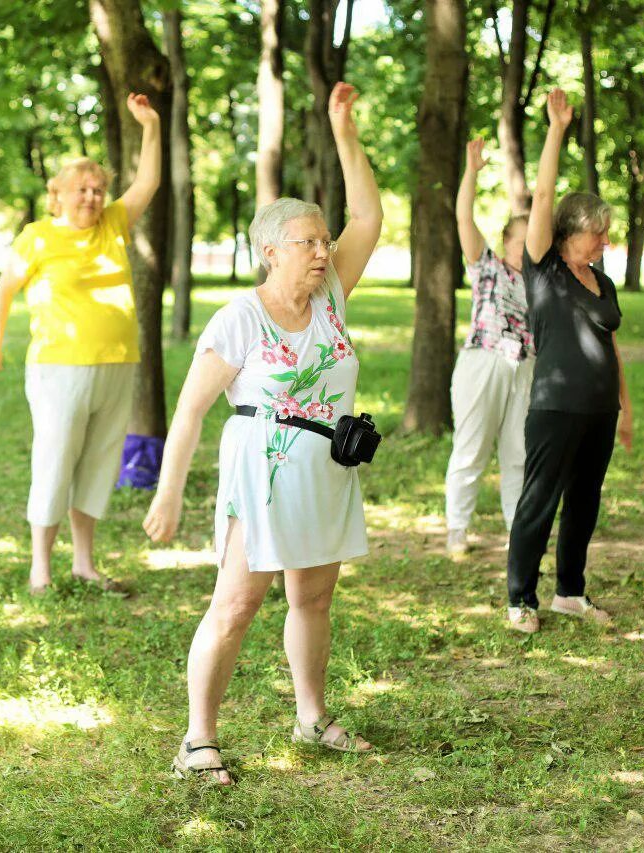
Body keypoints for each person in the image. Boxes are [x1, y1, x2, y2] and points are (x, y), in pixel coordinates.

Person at [143, 82, 382, 785]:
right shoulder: (240, 317)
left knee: (313, 597)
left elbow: (369, 213)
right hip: (264, 469)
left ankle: (311, 716)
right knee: (238, 602)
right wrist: (169, 492)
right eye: (307, 241)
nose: (322, 248)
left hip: (330, 468)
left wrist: (344, 128)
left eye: (323, 239)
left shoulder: (331, 295)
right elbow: (189, 409)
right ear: (270, 250)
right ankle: (197, 739)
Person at [0, 96, 161, 596]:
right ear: (56, 194)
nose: (92, 197)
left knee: (100, 464)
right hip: (59, 368)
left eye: (99, 189)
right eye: (81, 189)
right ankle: (41, 567)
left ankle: (84, 562)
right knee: (56, 460)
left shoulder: (114, 225)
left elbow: (148, 183)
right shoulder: (37, 237)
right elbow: (5, 291)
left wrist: (151, 126)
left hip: (118, 365)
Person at [505, 89, 633, 634]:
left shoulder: (600, 280)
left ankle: (569, 593)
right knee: (539, 503)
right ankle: (519, 600)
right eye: (595, 234)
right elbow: (542, 195)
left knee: (583, 505)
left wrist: (626, 406)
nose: (604, 241)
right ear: (567, 235)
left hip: (599, 411)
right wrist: (557, 131)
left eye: (605, 233)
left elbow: (609, 342)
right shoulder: (544, 268)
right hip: (555, 408)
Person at [445, 137, 533, 555]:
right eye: (523, 240)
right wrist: (472, 172)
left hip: (525, 368)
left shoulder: (540, 280)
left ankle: (519, 531)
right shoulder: (487, 265)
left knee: (518, 452)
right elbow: (463, 216)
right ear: (505, 241)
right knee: (472, 449)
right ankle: (457, 530)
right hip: (483, 360)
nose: (529, 249)